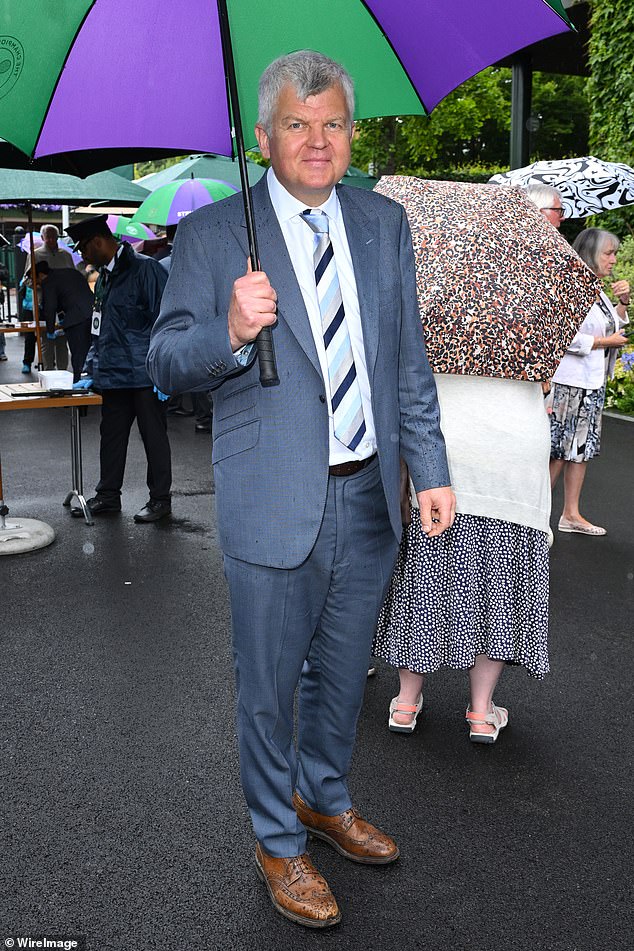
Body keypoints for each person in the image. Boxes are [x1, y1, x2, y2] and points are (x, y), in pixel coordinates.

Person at [147, 51, 454, 929]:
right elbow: (164, 362)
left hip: (367, 497)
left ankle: (324, 798)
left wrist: (427, 469)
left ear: (352, 134)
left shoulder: (384, 223)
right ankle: (278, 840)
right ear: (263, 136)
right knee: (269, 683)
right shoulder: (214, 237)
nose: (317, 142)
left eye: (333, 124)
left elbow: (407, 361)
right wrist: (230, 329)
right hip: (272, 498)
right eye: (297, 124)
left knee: (337, 678)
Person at [66, 215, 172, 523]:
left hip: (143, 375)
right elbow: (98, 331)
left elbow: (165, 322)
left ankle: (160, 499)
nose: (83, 256)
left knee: (154, 438)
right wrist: (89, 370)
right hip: (112, 375)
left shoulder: (145, 270)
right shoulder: (104, 277)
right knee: (110, 437)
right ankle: (109, 496)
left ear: (98, 241)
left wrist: (163, 371)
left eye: (84, 249)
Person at [549, 228, 629, 535]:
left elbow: (613, 325)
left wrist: (622, 303)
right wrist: (606, 341)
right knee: (557, 452)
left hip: (592, 383)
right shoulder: (572, 288)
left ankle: (570, 514)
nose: (614, 260)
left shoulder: (597, 291)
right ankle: (536, 519)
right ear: (591, 253)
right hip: (570, 383)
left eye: (615, 254)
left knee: (580, 451)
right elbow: (564, 337)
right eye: (608, 253)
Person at [35, 261, 93, 383]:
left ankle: (80, 387)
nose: (37, 284)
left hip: (76, 319)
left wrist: (50, 330)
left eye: (35, 280)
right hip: (93, 314)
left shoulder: (48, 282)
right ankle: (92, 381)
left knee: (79, 355)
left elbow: (50, 307)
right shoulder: (71, 272)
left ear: (40, 275)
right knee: (92, 352)